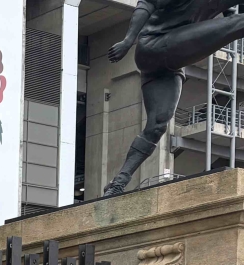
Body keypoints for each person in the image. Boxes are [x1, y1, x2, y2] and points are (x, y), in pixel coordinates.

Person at [104, 0, 244, 196]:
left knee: (157, 126)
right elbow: (146, 4)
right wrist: (128, 41)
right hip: (153, 45)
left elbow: (226, 14)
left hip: (168, 65)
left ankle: (118, 182)